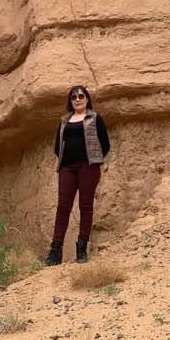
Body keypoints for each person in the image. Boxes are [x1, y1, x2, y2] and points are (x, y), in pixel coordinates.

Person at [44, 85, 111, 266]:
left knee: (85, 206)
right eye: (74, 97)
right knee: (63, 207)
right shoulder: (65, 120)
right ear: (70, 101)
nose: (78, 99)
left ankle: (81, 249)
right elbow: (58, 146)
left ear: (87, 99)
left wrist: (95, 159)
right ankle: (55, 252)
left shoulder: (95, 118)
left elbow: (105, 143)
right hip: (67, 168)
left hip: (88, 167)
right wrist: (66, 160)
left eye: (81, 96)